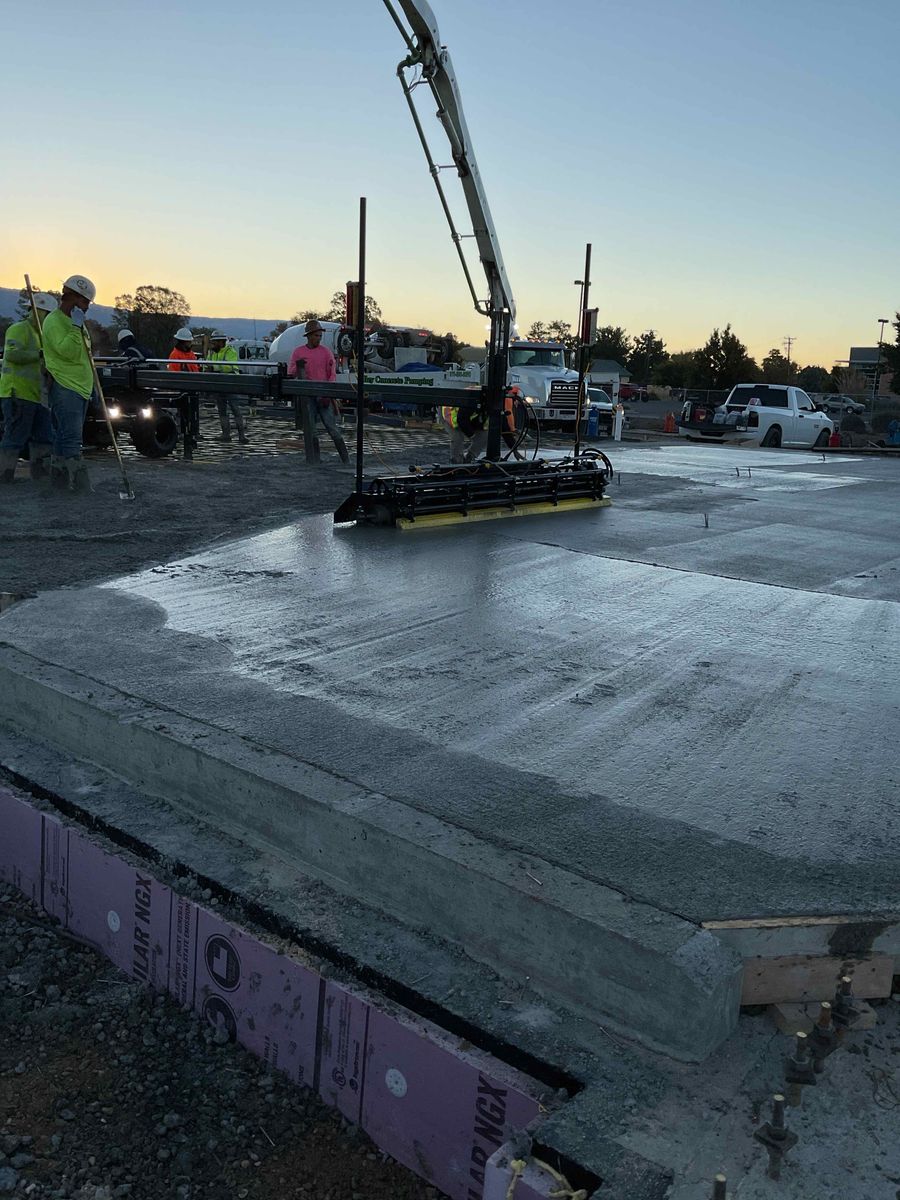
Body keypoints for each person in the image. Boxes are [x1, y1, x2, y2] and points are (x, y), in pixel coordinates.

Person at [41, 274, 97, 492]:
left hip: (79, 387)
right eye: (85, 302)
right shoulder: (55, 322)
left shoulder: (75, 322)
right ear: (72, 297)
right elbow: (69, 353)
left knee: (64, 436)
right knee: (72, 437)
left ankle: (60, 481)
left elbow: (85, 353)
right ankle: (80, 484)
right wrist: (75, 328)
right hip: (66, 386)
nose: (87, 308)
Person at [0, 291, 59, 484]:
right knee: (15, 436)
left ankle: (40, 474)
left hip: (38, 396)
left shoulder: (40, 335)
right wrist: (39, 354)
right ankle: (5, 474)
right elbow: (12, 355)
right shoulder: (19, 329)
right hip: (18, 393)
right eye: (46, 314)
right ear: (36, 311)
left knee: (43, 437)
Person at [287, 319, 349, 462]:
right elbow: (291, 373)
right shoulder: (298, 352)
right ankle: (315, 459)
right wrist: (299, 367)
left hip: (323, 395)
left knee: (332, 429)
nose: (318, 339)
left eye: (320, 336)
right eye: (316, 336)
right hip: (308, 396)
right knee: (311, 430)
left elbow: (332, 374)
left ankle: (345, 459)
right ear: (309, 336)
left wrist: (329, 393)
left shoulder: (326, 353)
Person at [208, 332, 247, 444]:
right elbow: (207, 365)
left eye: (215, 342)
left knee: (235, 409)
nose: (213, 344)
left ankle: (241, 435)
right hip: (218, 384)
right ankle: (225, 434)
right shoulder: (211, 353)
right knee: (222, 410)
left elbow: (229, 367)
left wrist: (213, 369)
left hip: (230, 384)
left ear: (221, 342)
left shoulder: (230, 351)